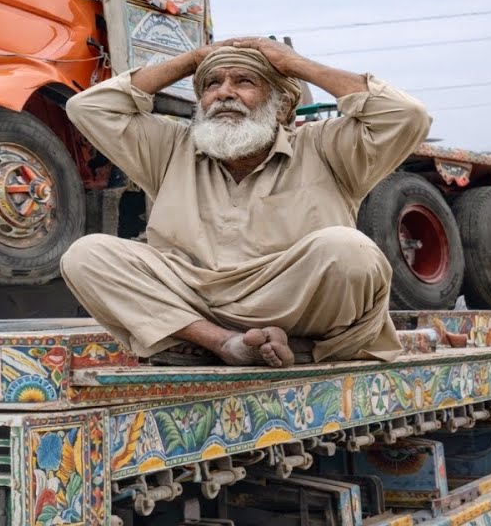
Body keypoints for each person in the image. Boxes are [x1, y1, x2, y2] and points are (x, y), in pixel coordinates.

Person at [61, 37, 431, 368]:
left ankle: (293, 343)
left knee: (351, 251)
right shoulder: (170, 147)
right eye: (211, 84)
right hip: (193, 300)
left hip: (291, 298)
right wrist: (192, 59)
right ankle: (224, 343)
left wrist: (295, 64)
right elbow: (87, 108)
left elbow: (407, 115)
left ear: (283, 104)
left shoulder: (325, 146)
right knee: (85, 255)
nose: (224, 93)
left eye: (244, 81)